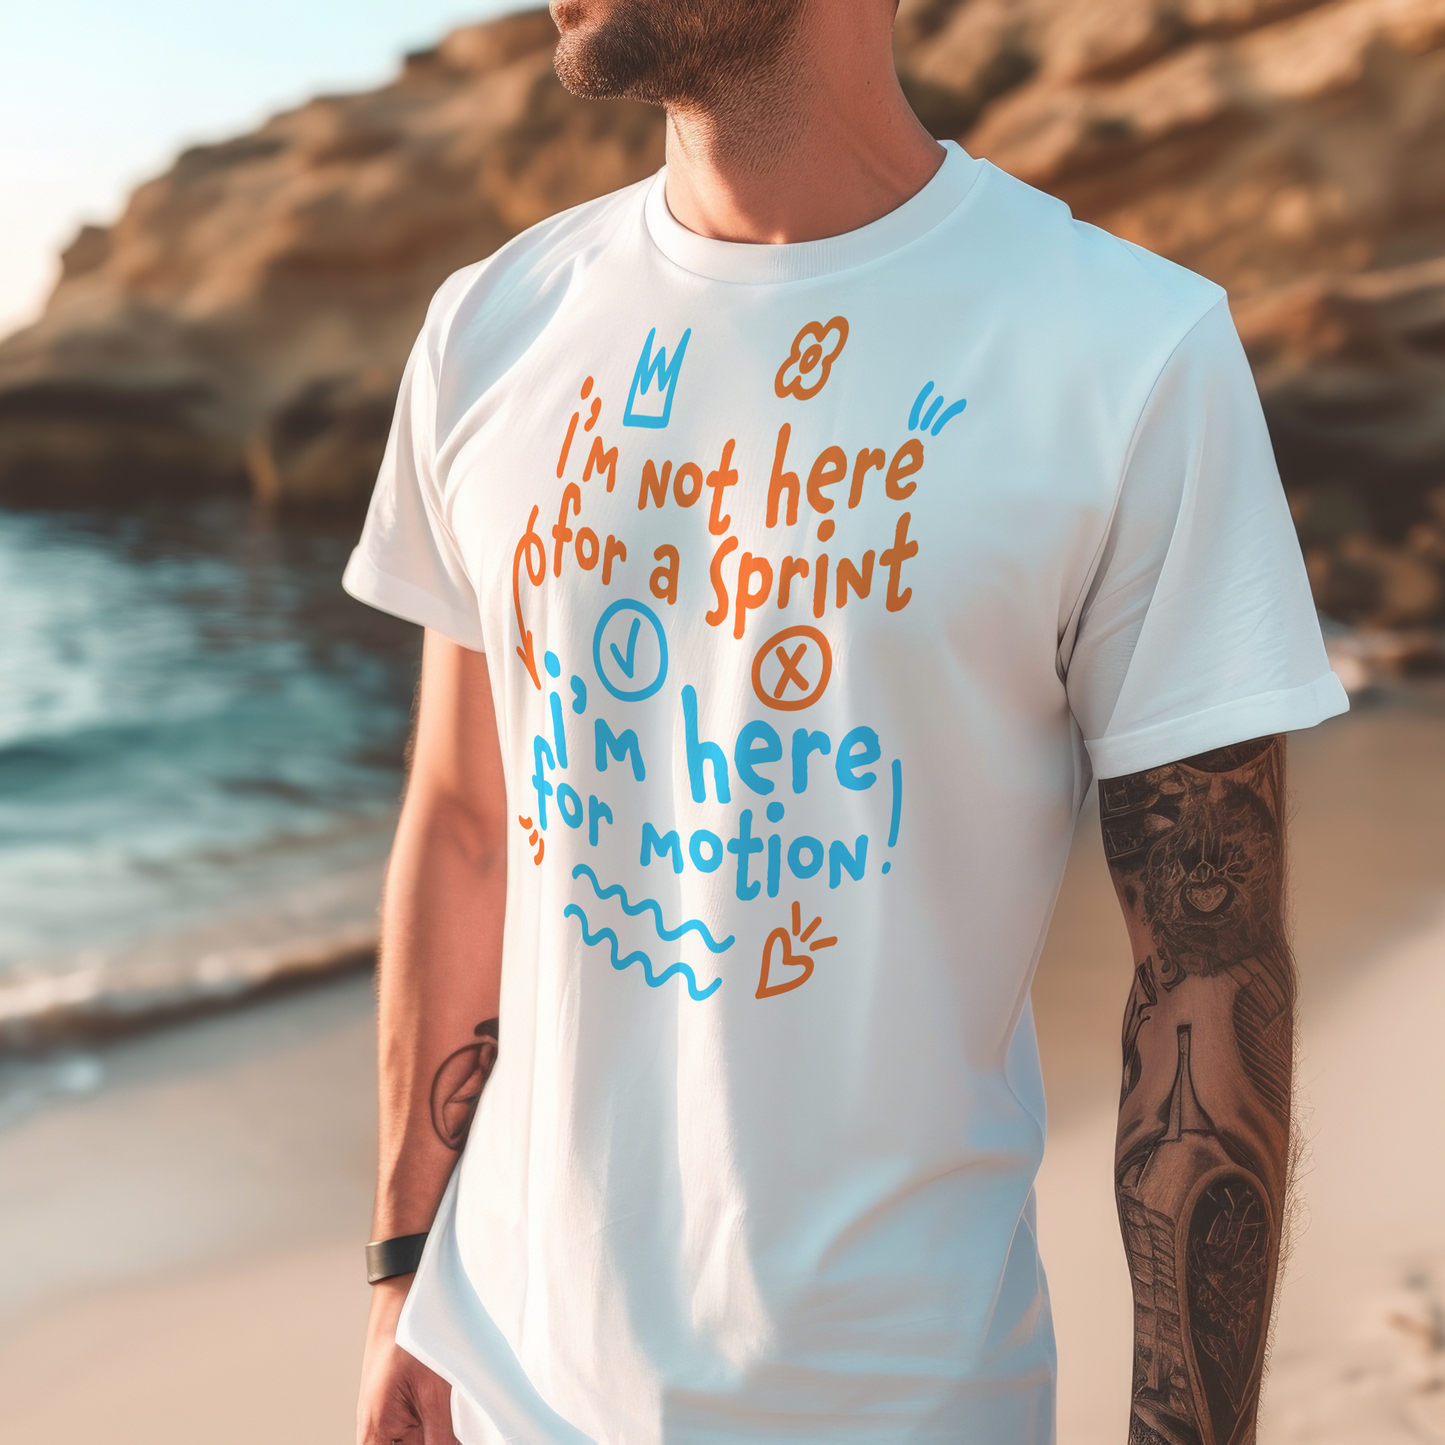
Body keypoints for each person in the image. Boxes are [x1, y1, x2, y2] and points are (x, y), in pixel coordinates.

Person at [344, 1, 1349, 1441]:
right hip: (503, 1378)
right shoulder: (493, 325)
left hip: (897, 1403)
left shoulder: (1127, 352)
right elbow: (461, 823)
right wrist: (397, 1275)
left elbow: (1206, 966)